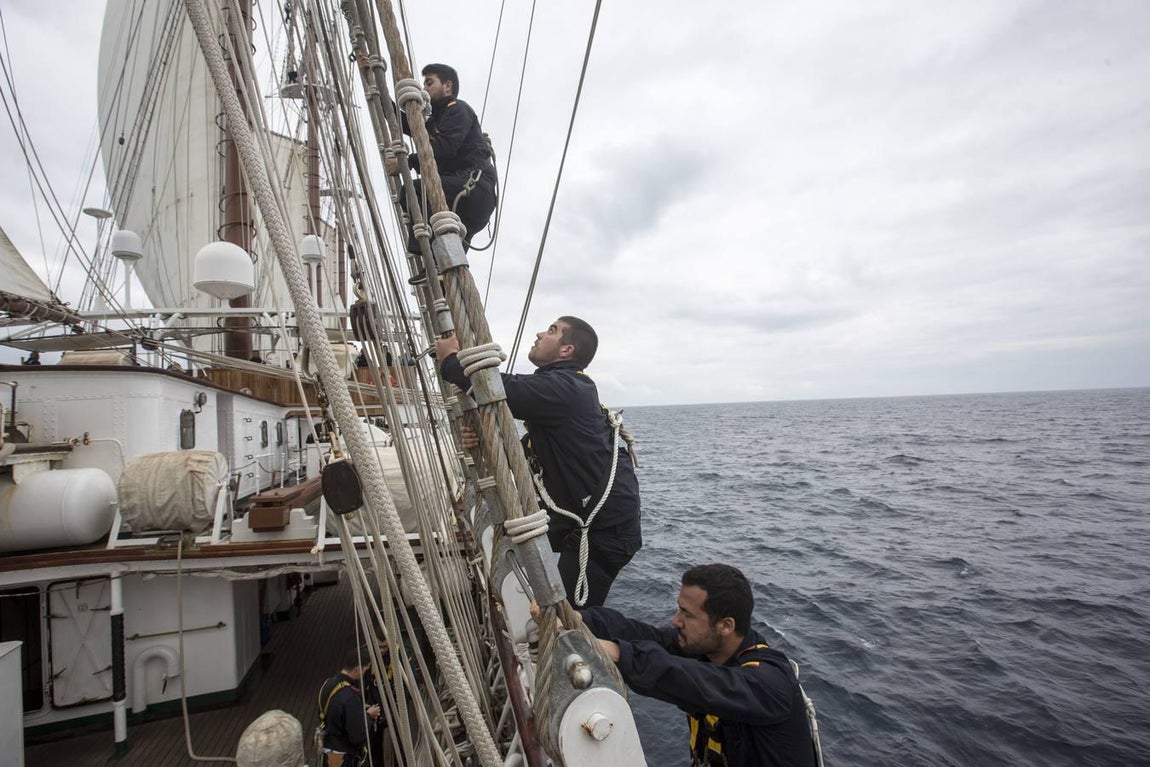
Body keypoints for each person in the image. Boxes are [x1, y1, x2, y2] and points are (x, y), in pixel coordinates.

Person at [436, 316, 641, 607]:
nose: (540, 333)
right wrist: (483, 441)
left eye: (552, 330)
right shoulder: (562, 388)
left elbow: (502, 390)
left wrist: (449, 361)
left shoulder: (567, 387)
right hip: (578, 518)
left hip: (602, 531)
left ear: (566, 350)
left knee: (571, 617)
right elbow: (526, 453)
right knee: (511, 541)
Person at [578, 564, 818, 767]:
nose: (676, 620)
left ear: (726, 626)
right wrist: (583, 620)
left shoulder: (769, 685)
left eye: (687, 614)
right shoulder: (706, 651)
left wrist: (617, 653)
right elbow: (646, 636)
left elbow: (701, 682)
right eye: (679, 609)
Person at [387, 63, 497, 252]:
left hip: (473, 189)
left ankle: (427, 253)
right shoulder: (435, 122)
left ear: (447, 86)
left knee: (414, 192)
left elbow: (444, 148)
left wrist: (406, 162)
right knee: (451, 261)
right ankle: (437, 265)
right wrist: (374, 81)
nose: (424, 89)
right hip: (460, 195)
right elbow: (405, 122)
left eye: (429, 83)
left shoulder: (458, 110)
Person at [316, 650, 381, 767]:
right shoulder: (350, 696)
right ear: (358, 669)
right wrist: (368, 716)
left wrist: (357, 709)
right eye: (364, 670)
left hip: (327, 750)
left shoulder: (328, 684)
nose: (363, 674)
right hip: (342, 757)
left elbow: (332, 708)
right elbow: (357, 736)